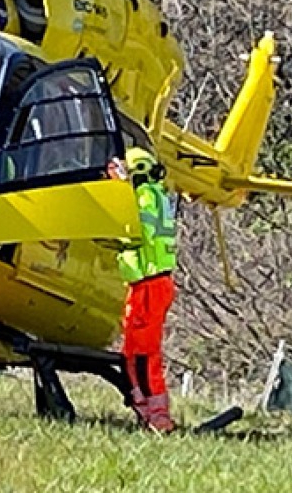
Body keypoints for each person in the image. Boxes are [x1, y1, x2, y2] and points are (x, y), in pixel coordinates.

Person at [118, 146, 178, 433]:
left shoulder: (144, 197)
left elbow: (134, 229)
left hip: (150, 284)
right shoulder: (155, 194)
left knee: (143, 354)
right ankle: (145, 413)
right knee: (131, 354)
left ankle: (158, 418)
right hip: (146, 284)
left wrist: (119, 190)